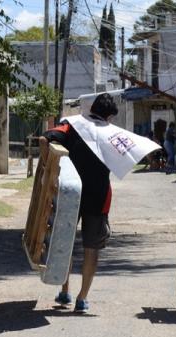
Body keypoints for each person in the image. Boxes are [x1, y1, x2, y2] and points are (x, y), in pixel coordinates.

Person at [44, 94, 117, 314]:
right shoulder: (112, 134)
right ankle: (82, 298)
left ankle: (64, 289)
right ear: (110, 116)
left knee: (64, 241)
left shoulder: (72, 124)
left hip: (70, 192)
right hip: (99, 195)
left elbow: (48, 138)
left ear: (91, 108)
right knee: (91, 248)